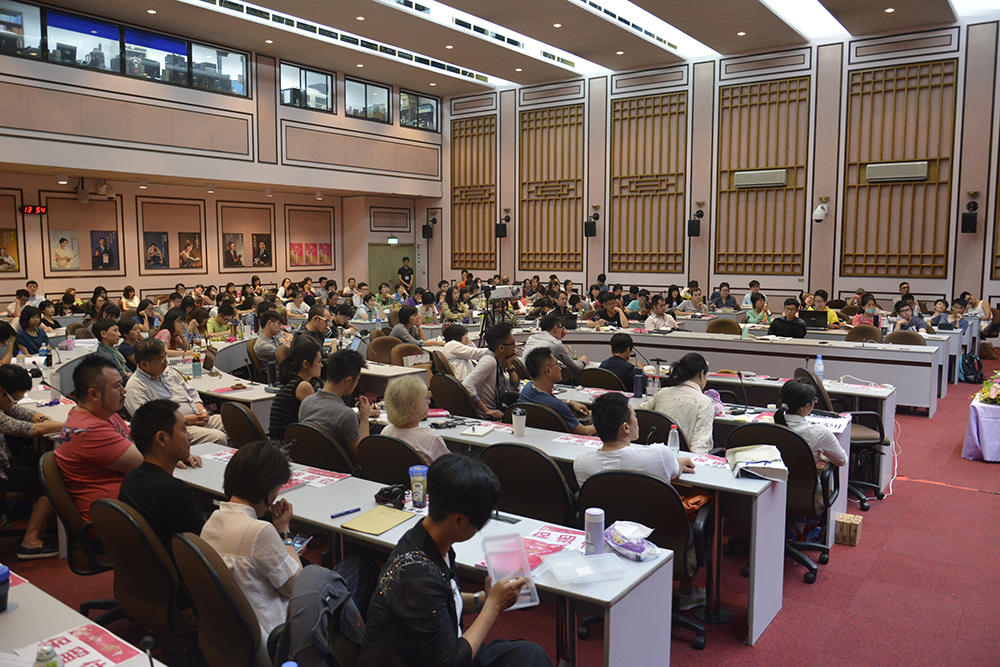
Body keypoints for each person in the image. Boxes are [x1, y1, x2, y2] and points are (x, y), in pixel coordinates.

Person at [357, 454, 550, 667]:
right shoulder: (419, 581)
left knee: (530, 655)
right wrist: (493, 605)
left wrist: (484, 599)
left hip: (437, 651)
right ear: (458, 520)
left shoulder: (427, 538)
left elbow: (446, 600)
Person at [200, 442, 301, 651]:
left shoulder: (210, 523)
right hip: (273, 640)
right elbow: (295, 588)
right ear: (268, 488)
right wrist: (285, 533)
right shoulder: (259, 531)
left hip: (230, 638)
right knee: (349, 573)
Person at [54, 356, 140, 521]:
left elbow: (135, 439)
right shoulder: (90, 430)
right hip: (115, 520)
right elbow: (149, 465)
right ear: (93, 394)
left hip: (127, 506)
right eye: (117, 386)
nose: (124, 391)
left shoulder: (104, 413)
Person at [119, 399, 205, 557]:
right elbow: (203, 548)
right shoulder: (176, 493)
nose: (190, 437)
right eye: (184, 430)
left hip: (149, 566)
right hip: (181, 567)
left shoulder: (131, 478)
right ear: (162, 439)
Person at [0, 365, 64, 558]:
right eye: (15, 398)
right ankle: (30, 540)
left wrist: (45, 419)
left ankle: (52, 527)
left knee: (52, 461)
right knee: (51, 474)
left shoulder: (4, 402)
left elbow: (24, 414)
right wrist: (69, 424)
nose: (15, 403)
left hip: (4, 464)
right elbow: (26, 429)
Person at [125, 338, 228, 445]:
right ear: (144, 364)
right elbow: (147, 422)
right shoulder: (135, 386)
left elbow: (191, 392)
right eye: (161, 360)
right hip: (174, 429)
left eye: (165, 357)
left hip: (199, 418)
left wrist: (202, 411)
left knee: (235, 422)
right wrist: (185, 419)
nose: (166, 362)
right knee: (218, 437)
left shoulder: (169, 372)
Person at [298, 349, 372, 458]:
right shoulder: (346, 415)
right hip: (341, 468)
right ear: (348, 381)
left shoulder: (306, 403)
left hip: (310, 464)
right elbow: (362, 455)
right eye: (357, 380)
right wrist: (364, 418)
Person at [638, 353, 715, 454]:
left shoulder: (663, 392)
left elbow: (638, 412)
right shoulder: (705, 402)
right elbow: (699, 447)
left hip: (654, 454)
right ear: (701, 374)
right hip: (681, 459)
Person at [518, 347, 595, 435]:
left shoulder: (527, 389)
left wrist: (569, 402)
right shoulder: (558, 406)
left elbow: (544, 401)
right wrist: (603, 423)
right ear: (548, 371)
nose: (560, 368)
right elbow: (585, 432)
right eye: (557, 364)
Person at [774, 380, 848, 466]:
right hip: (802, 475)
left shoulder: (770, 426)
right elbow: (841, 460)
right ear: (807, 406)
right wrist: (822, 457)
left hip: (771, 474)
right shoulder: (820, 433)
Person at [381, 375, 449, 465]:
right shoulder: (431, 439)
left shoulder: (386, 431)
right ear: (414, 408)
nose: (429, 402)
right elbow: (451, 469)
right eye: (426, 398)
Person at [462, 323, 519, 420]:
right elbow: (467, 385)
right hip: (487, 417)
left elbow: (514, 389)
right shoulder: (489, 361)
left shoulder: (497, 360)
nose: (515, 346)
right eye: (512, 343)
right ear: (501, 348)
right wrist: (486, 410)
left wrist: (509, 364)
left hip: (498, 411)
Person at [268, 341, 322, 441]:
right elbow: (318, 419)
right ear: (305, 364)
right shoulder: (303, 387)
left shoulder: (291, 383)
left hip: (279, 442)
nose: (321, 365)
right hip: (287, 444)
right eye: (319, 361)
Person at [522, 314, 587, 382]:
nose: (562, 330)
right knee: (572, 381)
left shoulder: (531, 338)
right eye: (561, 327)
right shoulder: (555, 343)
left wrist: (557, 339)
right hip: (539, 381)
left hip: (525, 377)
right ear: (555, 328)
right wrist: (583, 360)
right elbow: (576, 367)